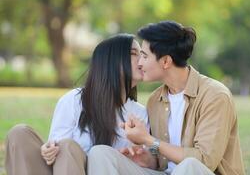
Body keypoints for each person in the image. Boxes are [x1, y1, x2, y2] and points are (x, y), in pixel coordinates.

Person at [88, 21, 245, 175]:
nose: (139, 63)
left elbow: (204, 161)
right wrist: (148, 158)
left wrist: (149, 140)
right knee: (100, 153)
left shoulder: (215, 95)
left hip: (197, 172)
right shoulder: (155, 100)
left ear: (165, 61)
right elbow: (162, 158)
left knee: (189, 165)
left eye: (144, 56)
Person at [5, 33, 148, 175]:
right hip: (63, 169)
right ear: (111, 61)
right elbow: (56, 147)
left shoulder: (140, 115)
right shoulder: (74, 100)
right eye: (133, 53)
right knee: (19, 134)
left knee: (67, 147)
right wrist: (48, 150)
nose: (142, 60)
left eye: (142, 54)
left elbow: (143, 163)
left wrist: (121, 157)